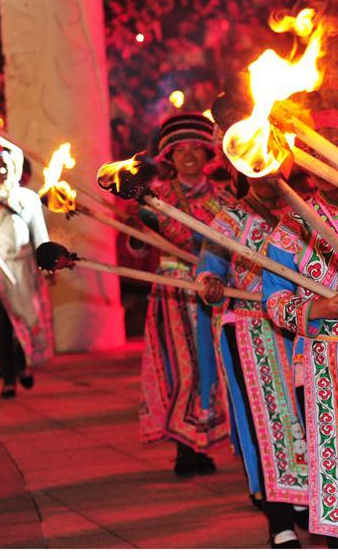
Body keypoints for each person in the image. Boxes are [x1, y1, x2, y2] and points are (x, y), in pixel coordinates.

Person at [262, 89, 338, 547]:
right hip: (323, 365)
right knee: (335, 474)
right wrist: (317, 309)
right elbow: (273, 300)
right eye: (316, 152)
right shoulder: (294, 223)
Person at [196, 175, 309, 548]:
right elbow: (211, 265)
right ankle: (279, 522)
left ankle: (308, 504)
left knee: (308, 421)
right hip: (250, 330)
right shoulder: (231, 218)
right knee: (267, 427)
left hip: (302, 329)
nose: (265, 173)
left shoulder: (303, 211)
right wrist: (210, 280)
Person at [136, 114, 232, 476]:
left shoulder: (225, 197)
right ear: (169, 157)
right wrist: (143, 222)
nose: (189, 155)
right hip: (174, 292)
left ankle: (206, 439)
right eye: (181, 150)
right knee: (181, 366)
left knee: (213, 367)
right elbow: (139, 246)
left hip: (216, 291)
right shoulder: (156, 198)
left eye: (196, 148)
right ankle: (185, 446)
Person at [0, 137, 53, 398]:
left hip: (25, 271)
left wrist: (48, 265)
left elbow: (40, 237)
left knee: (26, 322)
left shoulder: (28, 199)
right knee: (4, 326)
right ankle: (8, 379)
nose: (2, 171)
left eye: (6, 165)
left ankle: (24, 367)